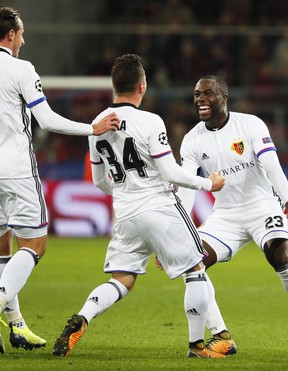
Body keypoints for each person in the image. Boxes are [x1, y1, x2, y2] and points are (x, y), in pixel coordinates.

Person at [0, 6, 119, 354]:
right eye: (21, 33)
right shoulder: (21, 69)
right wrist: (92, 128)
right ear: (10, 34)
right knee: (35, 245)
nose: (23, 39)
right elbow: (47, 120)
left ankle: (18, 325)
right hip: (16, 168)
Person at [51, 54, 226, 359]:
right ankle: (198, 346)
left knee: (121, 280)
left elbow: (98, 181)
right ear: (142, 86)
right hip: (159, 206)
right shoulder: (150, 121)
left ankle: (82, 317)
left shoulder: (98, 125)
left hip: (126, 213)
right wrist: (207, 184)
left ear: (113, 85)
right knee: (196, 269)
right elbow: (171, 172)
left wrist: (123, 190)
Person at [176, 75, 288, 358]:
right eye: (196, 94)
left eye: (207, 93)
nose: (200, 99)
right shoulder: (192, 140)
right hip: (225, 215)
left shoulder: (250, 124)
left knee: (280, 256)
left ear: (223, 96)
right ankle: (221, 336)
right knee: (191, 261)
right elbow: (187, 187)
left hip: (262, 207)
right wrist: (179, 231)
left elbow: (272, 166)